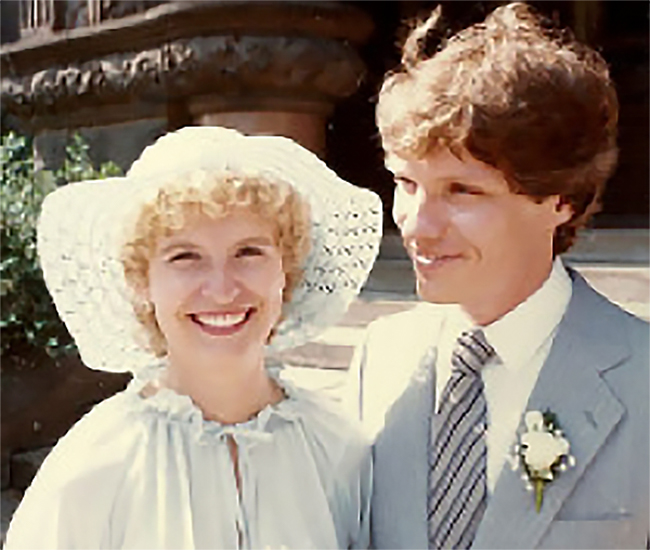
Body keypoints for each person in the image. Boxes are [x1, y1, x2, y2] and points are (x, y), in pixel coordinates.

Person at [347, 3, 649, 549]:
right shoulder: (380, 357)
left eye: (462, 192)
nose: (418, 225)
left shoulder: (642, 377)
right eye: (407, 183)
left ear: (562, 200)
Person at [5, 126, 382, 549]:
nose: (222, 289)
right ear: (142, 282)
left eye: (249, 252)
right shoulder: (94, 468)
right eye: (185, 257)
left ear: (287, 271)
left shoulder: (339, 449)